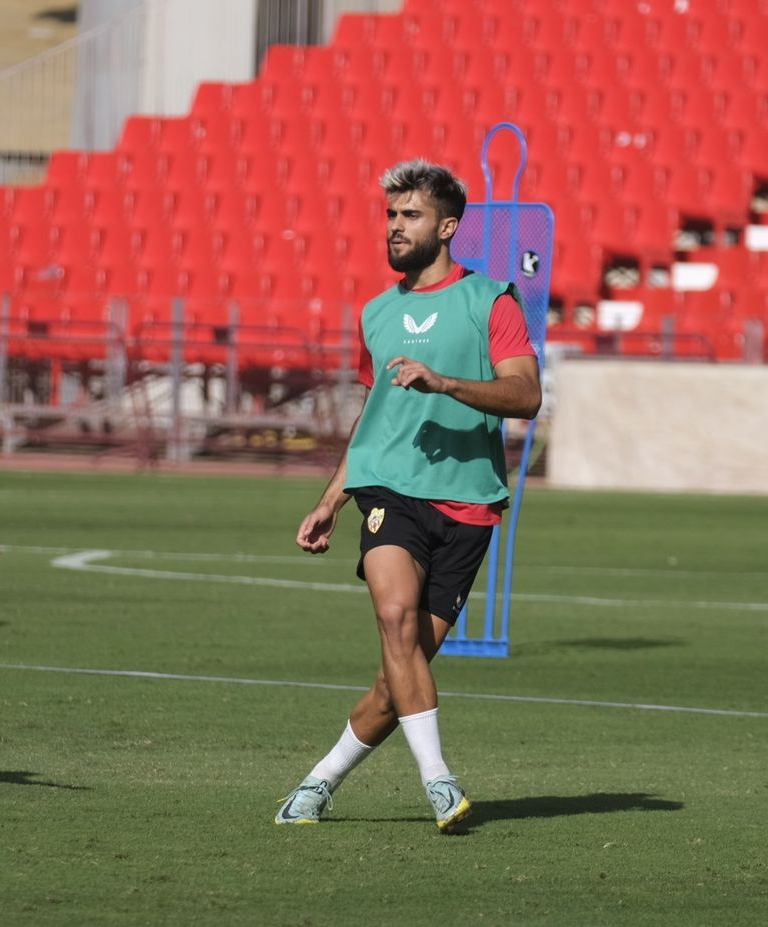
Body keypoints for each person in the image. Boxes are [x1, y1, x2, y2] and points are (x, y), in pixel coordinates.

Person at [273, 160, 541, 831]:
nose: (395, 226)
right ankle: (440, 781)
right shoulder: (377, 312)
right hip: (390, 490)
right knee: (394, 618)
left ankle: (317, 782)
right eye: (391, 215)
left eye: (411, 215)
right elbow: (376, 416)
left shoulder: (492, 301)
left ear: (447, 227)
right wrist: (333, 498)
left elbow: (525, 394)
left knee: (397, 680)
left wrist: (446, 382)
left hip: (468, 504)